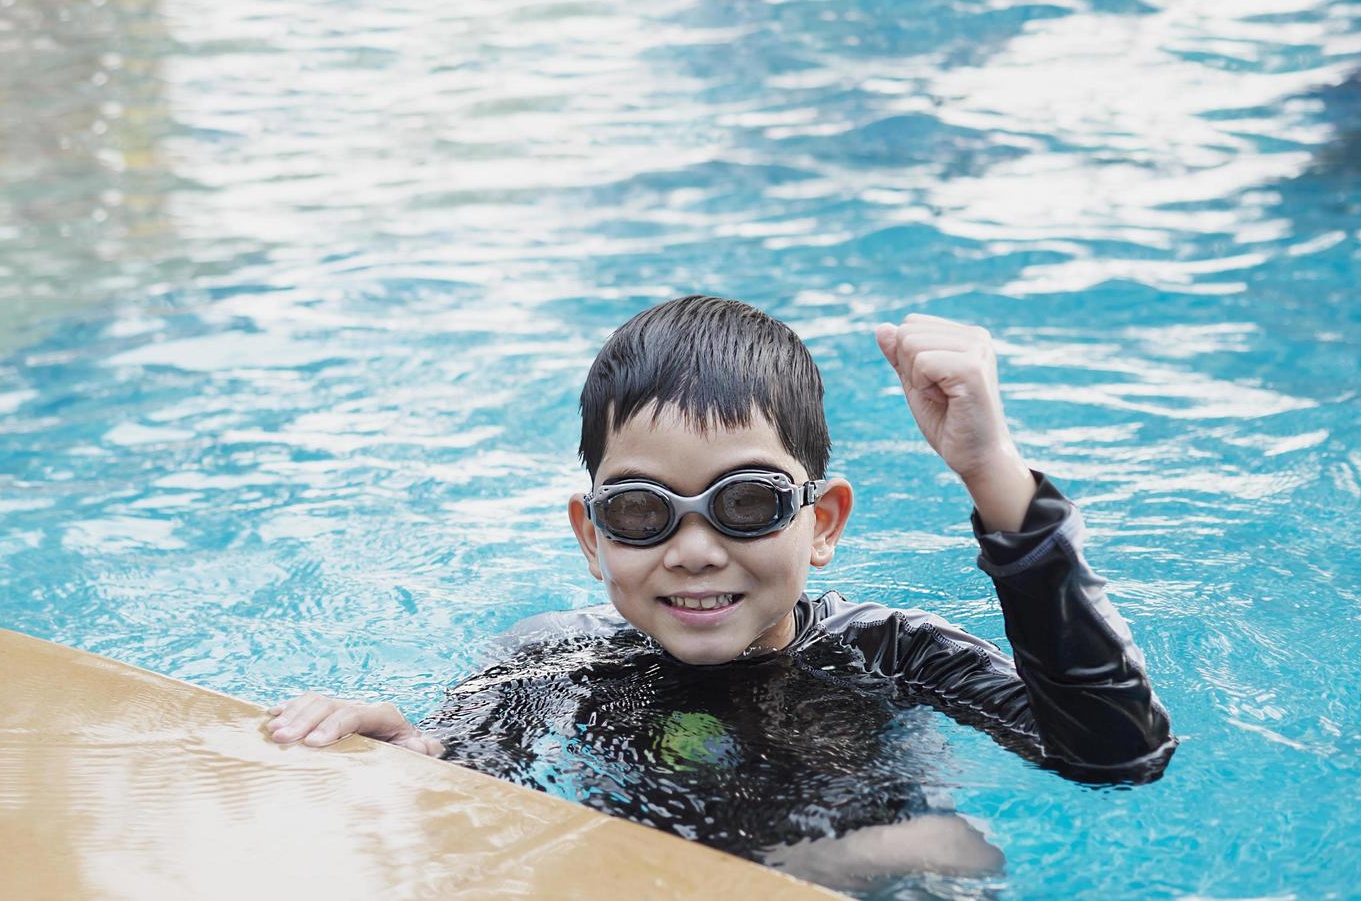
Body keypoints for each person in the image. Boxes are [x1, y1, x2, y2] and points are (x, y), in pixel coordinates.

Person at [265, 296, 1177, 885]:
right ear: (592, 537)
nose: (695, 550)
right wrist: (402, 753)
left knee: (949, 856)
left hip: (853, 880)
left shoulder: (893, 653)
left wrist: (991, 473)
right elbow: (463, 780)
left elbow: (1114, 756)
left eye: (747, 503)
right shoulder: (550, 658)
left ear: (820, 525)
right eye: (639, 510)